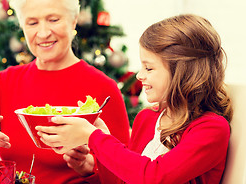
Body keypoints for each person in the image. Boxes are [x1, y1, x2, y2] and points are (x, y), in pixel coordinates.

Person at [0, 0, 130, 184]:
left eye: (53, 19)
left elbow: (125, 174)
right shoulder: (7, 81)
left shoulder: (103, 87)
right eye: (32, 23)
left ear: (73, 21)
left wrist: (91, 168)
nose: (43, 32)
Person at [36, 14, 233, 184]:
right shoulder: (147, 118)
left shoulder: (211, 129)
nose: (139, 75)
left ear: (181, 72)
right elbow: (126, 179)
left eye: (149, 68)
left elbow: (154, 177)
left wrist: (94, 137)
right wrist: (92, 163)